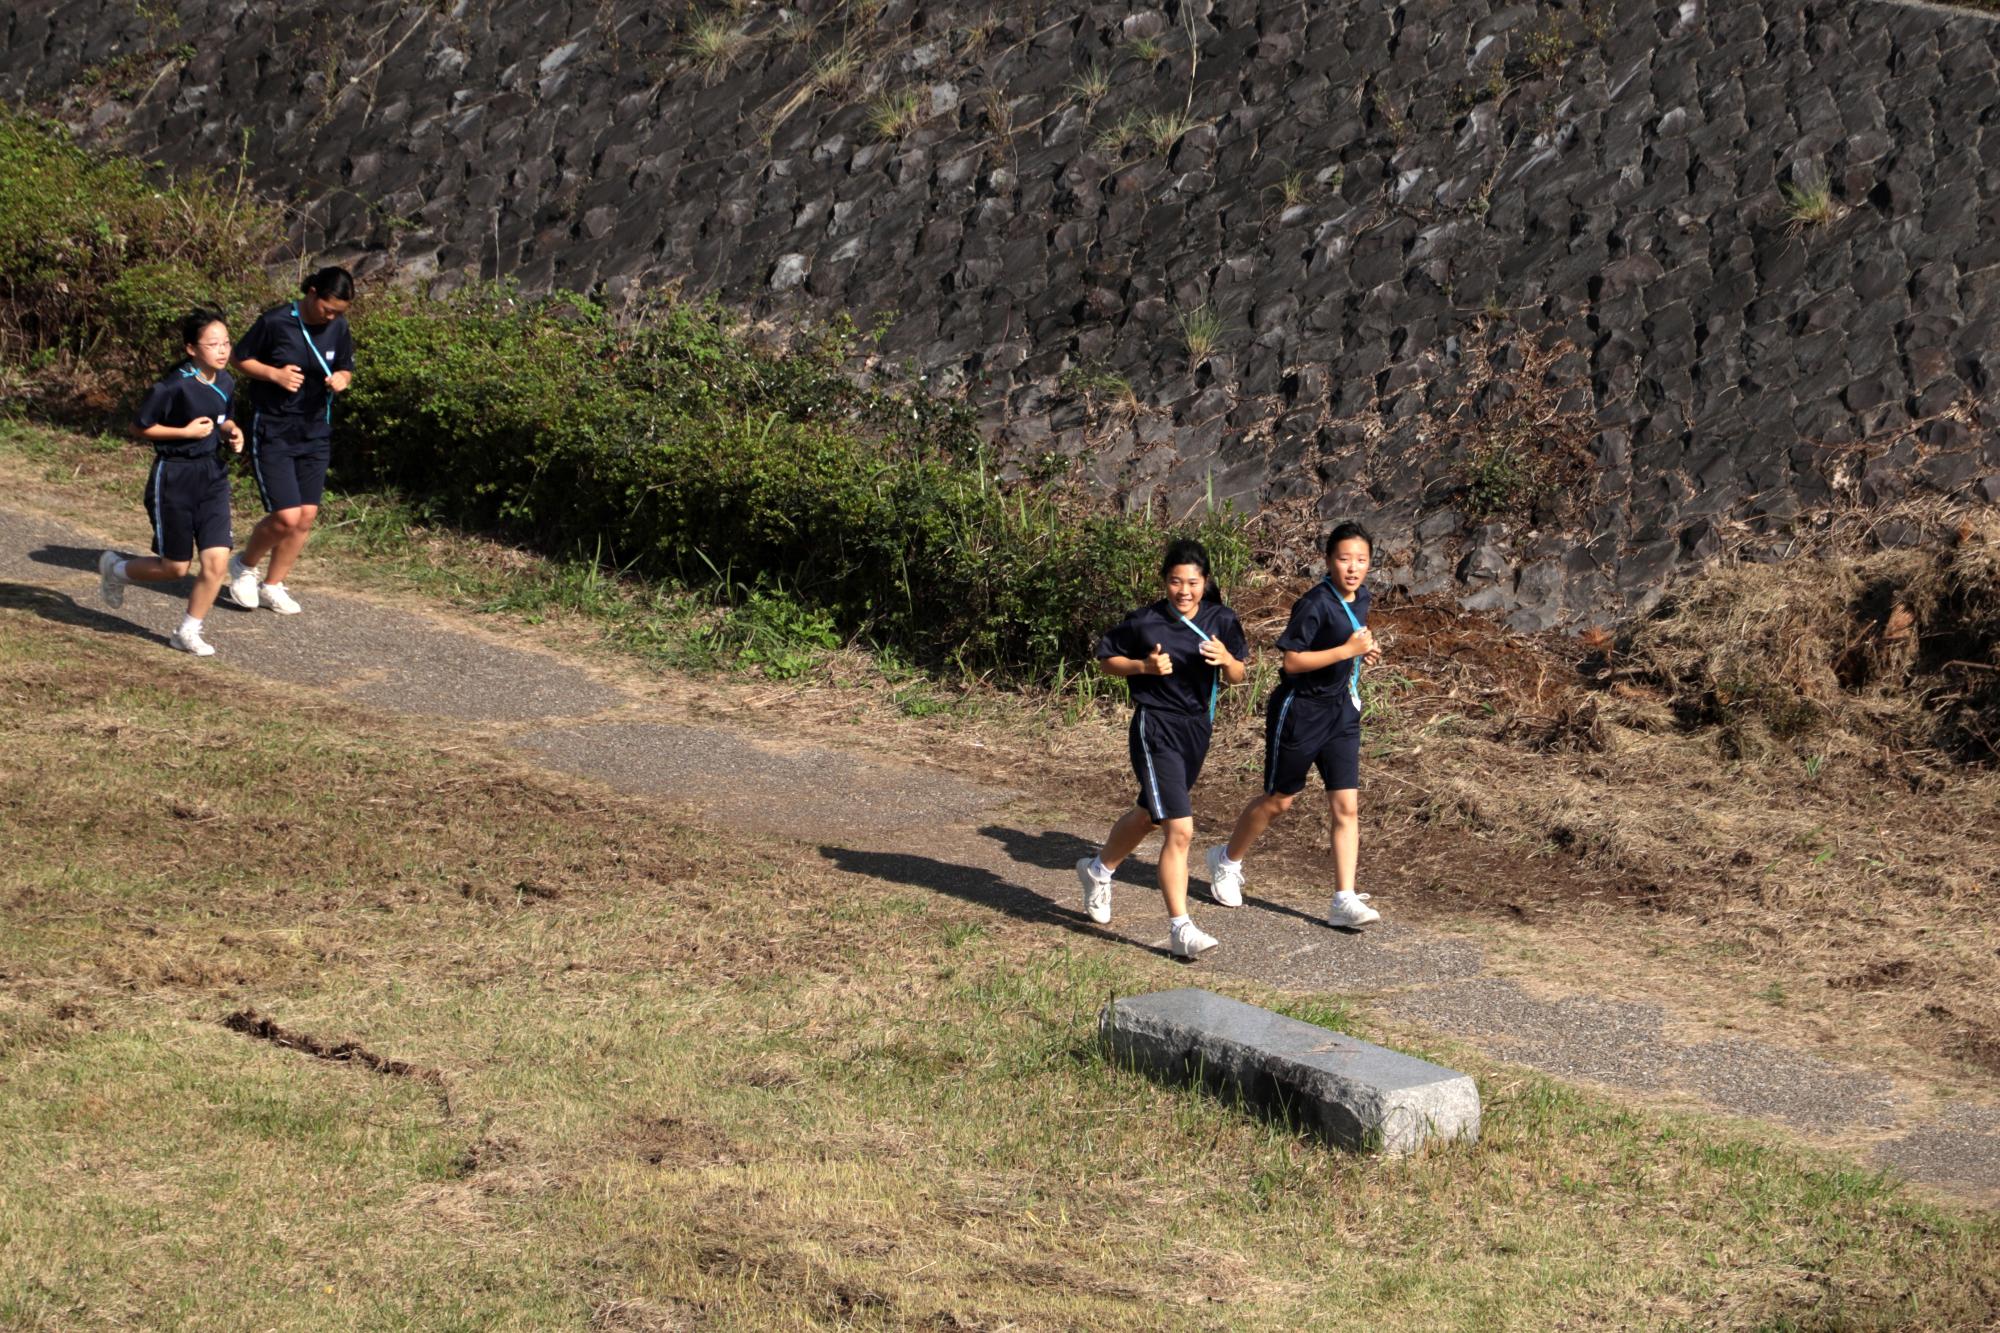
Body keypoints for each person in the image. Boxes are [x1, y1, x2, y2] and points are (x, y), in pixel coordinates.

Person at [1204, 522, 1385, 929]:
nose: (1352, 568)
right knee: (1280, 801)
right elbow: (1292, 662)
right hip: (1300, 710)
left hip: (1341, 712)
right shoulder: (1314, 603)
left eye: (1361, 560)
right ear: (1328, 561)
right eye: (1344, 559)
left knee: (1346, 806)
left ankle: (1343, 898)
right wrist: (1346, 650)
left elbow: (1350, 643)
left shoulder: (1362, 598)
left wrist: (1362, 654)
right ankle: (1227, 860)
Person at [1075, 538, 1249, 958]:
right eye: (1175, 582)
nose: (1184, 591)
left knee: (1149, 816)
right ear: (1165, 582)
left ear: (1205, 583)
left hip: (1197, 730)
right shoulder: (1145, 622)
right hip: (1156, 728)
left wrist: (1227, 658)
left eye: (1192, 582)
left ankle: (1098, 870)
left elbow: (1238, 677)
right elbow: (1106, 660)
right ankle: (1180, 927)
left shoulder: (1221, 619)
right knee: (1180, 828)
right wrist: (1143, 667)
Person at [97, 309, 245, 656]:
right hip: (174, 476)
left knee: (216, 564)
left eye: (225, 343)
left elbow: (223, 418)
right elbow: (139, 427)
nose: (222, 350)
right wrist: (184, 432)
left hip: (212, 476)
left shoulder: (225, 381)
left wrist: (232, 432)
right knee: (175, 568)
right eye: (213, 344)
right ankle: (116, 570)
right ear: (192, 348)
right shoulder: (172, 385)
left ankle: (187, 631)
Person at [224, 266, 355, 614]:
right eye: (328, 308)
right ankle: (244, 566)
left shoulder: (338, 326)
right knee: (286, 516)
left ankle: (273, 584)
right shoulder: (276, 321)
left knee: (306, 516)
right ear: (311, 293)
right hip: (275, 428)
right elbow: (238, 357)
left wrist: (343, 378)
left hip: (315, 431)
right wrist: (273, 374)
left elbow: (345, 366)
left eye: (339, 312)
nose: (332, 317)